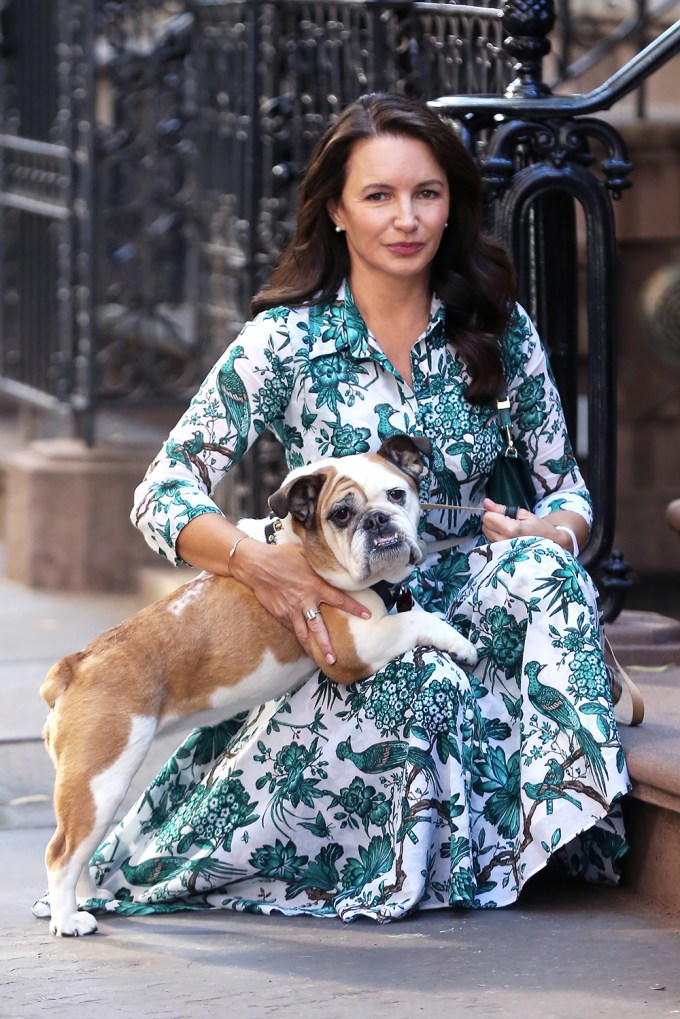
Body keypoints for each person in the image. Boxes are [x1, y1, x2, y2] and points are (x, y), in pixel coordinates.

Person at [85, 93, 630, 920]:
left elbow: (569, 489)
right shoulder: (285, 342)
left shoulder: (498, 328)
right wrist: (260, 563)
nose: (406, 218)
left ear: (452, 204)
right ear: (336, 211)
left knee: (545, 569)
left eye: (427, 193)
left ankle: (557, 829)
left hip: (476, 593)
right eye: (378, 196)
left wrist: (551, 528)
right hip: (343, 622)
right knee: (416, 676)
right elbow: (161, 488)